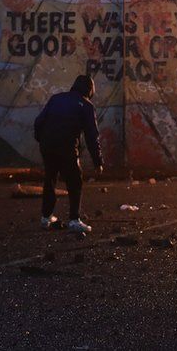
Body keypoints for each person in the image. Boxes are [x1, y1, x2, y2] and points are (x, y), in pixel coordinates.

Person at [33, 75, 104, 233]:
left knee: (50, 178)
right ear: (90, 90)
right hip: (67, 146)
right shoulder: (86, 106)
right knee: (75, 181)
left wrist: (41, 139)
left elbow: (39, 121)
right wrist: (98, 161)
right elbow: (92, 136)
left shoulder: (56, 98)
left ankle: (46, 217)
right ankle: (74, 219)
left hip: (47, 144)